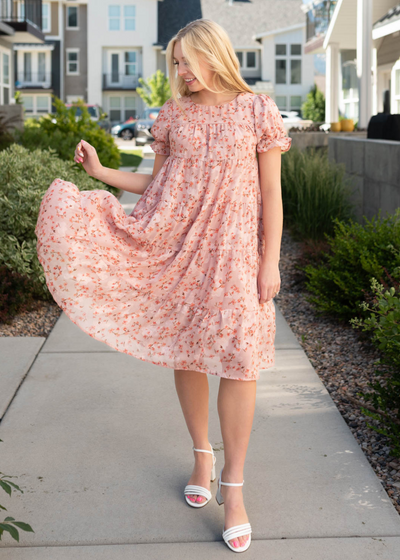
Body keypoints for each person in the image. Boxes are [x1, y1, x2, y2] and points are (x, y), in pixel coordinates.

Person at [35, 18, 291, 554]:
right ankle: (202, 453)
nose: (179, 72)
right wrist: (104, 173)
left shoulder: (255, 110)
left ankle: (235, 486)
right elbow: (159, 183)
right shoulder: (173, 115)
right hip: (180, 249)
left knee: (241, 360)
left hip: (238, 254)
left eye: (185, 61)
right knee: (190, 353)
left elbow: (271, 193)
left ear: (213, 55)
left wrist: (271, 260)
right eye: (174, 63)